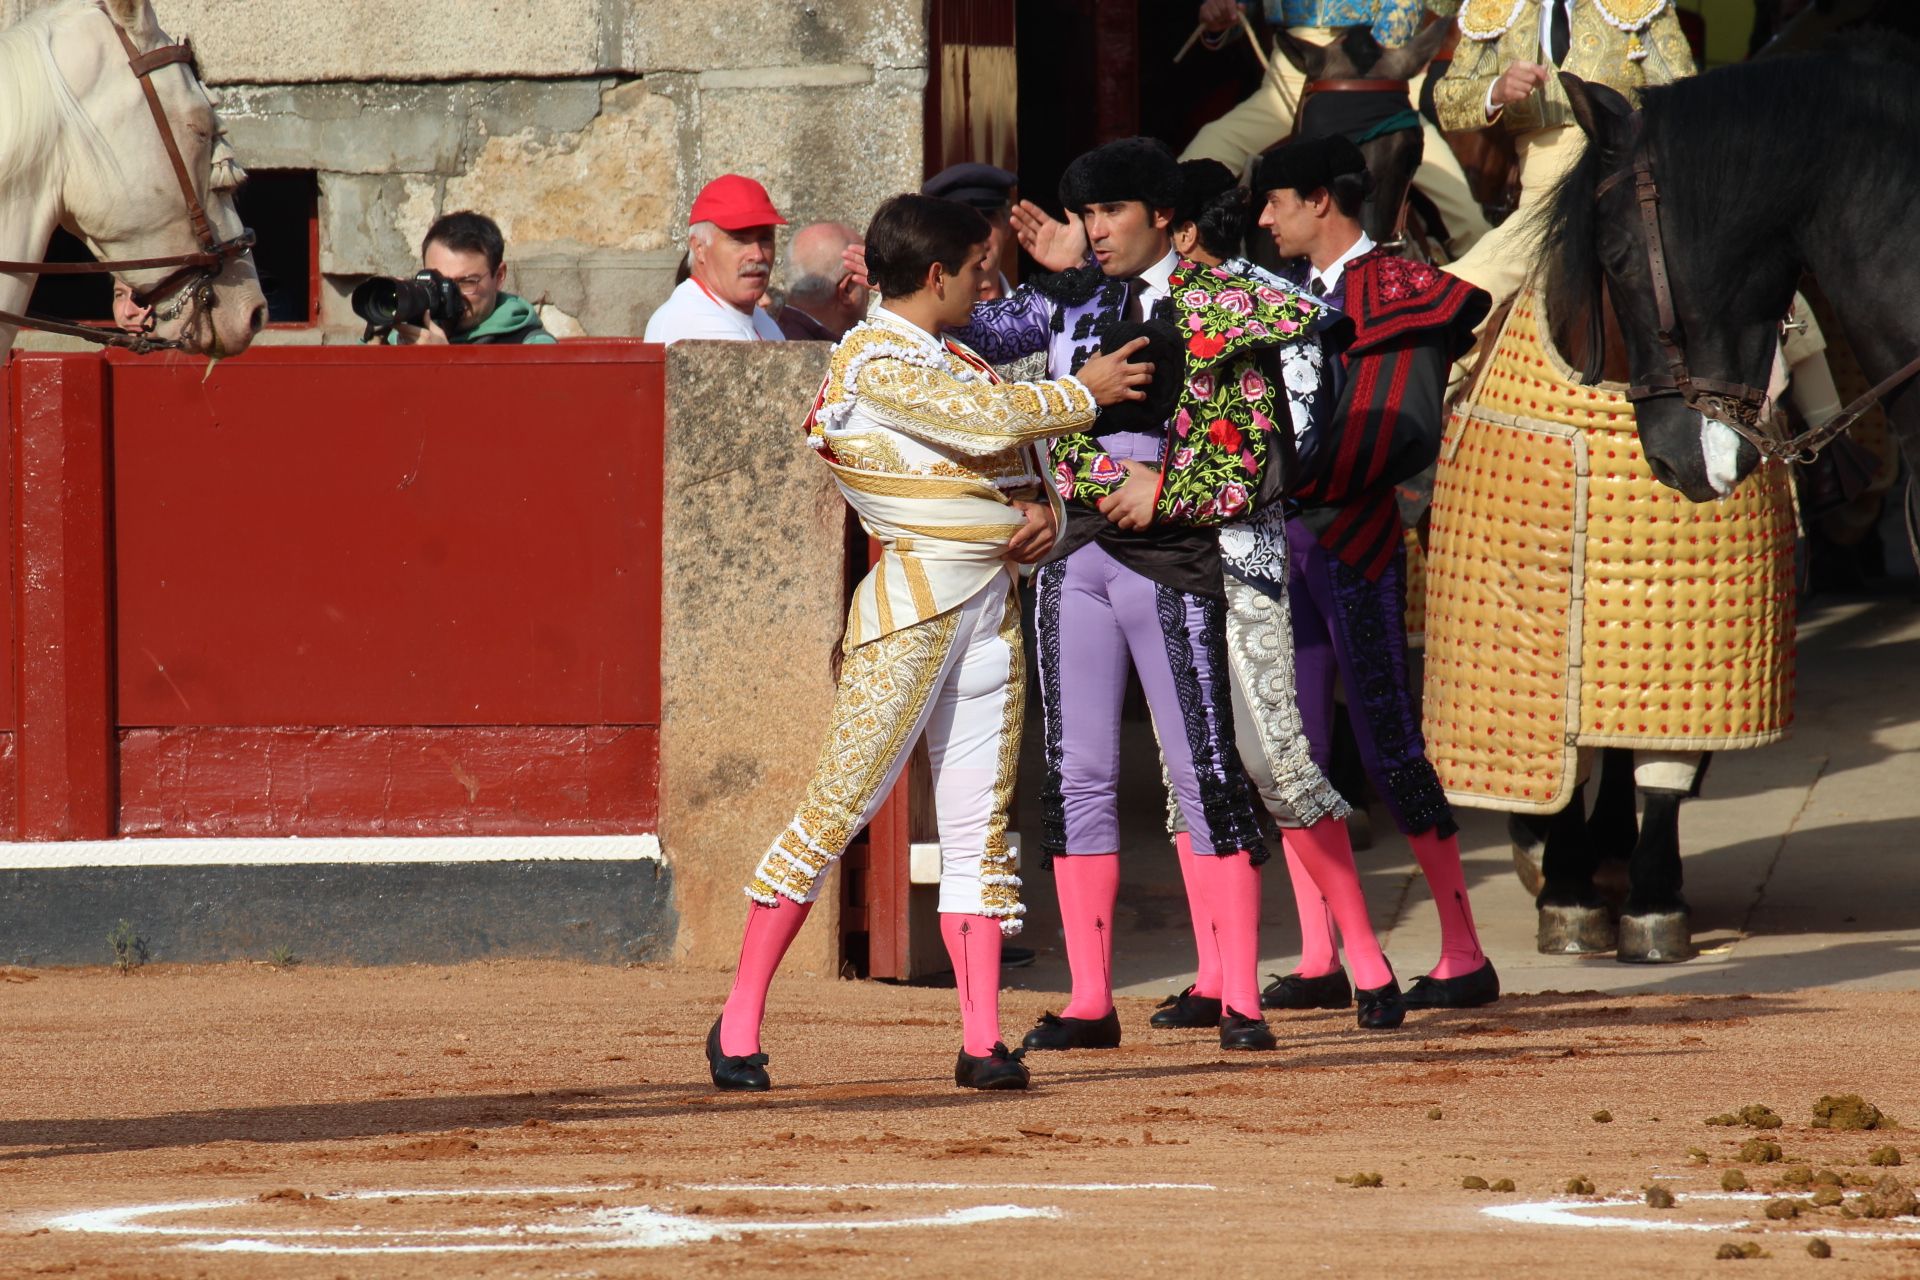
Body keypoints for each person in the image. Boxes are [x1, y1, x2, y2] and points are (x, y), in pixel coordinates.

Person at [707, 194, 1155, 1094]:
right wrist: (1082, 393)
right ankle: (737, 1023)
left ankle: (983, 1040)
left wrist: (1051, 515)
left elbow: (1026, 471)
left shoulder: (956, 359)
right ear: (940, 274)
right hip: (910, 614)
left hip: (986, 610)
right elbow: (983, 429)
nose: (991, 286)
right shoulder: (871, 356)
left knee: (979, 836)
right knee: (834, 812)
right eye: (981, 269)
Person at [948, 137, 1337, 1053]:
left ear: (1164, 216)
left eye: (1110, 214)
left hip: (1176, 555)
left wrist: (1176, 488)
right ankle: (1090, 999)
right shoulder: (1067, 296)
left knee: (1205, 772)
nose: (1094, 231)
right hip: (1078, 551)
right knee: (1077, 772)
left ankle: (1238, 994)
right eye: (1085, 215)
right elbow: (966, 337)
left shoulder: (1232, 299)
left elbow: (1280, 438)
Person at [1251, 135, 1499, 1008]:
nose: (1264, 217)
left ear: (1323, 200)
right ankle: (1322, 953)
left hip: (1356, 537)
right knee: (1297, 749)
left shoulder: (1399, 289)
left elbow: (1397, 427)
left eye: (1276, 200)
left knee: (1389, 739)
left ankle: (1464, 951)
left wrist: (1267, 478)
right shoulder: (1281, 294)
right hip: (1290, 539)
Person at [1431, 0, 1693, 322]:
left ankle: (1433, 315)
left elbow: (1684, 95)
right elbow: (1447, 99)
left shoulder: (1638, 5)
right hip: (1541, 183)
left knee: (1489, 271)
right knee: (1515, 256)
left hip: (1622, 167)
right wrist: (1494, 91)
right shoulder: (1494, 7)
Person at [1180, 0, 1489, 260]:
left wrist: (1384, 56)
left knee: (1471, 226)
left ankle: (1465, 323)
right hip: (1298, 68)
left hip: (1382, 73)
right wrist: (1224, 12)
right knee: (1191, 167)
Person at [644, 175, 787, 345]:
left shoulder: (761, 320)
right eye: (739, 239)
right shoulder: (692, 318)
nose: (757, 254)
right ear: (699, 248)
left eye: (765, 239)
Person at [392, 211, 556, 345]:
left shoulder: (532, 347)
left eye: (466, 282)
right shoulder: (399, 338)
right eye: (438, 283)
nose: (449, 295)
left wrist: (442, 362)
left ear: (499, 277)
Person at [922, 162, 1020, 299]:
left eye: (987, 217)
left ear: (1007, 226)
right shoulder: (922, 318)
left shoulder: (1034, 316)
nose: (978, 233)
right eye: (963, 221)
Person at [776, 222, 868, 341]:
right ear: (848, 289)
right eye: (869, 277)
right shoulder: (838, 356)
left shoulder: (766, 334)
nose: (871, 288)